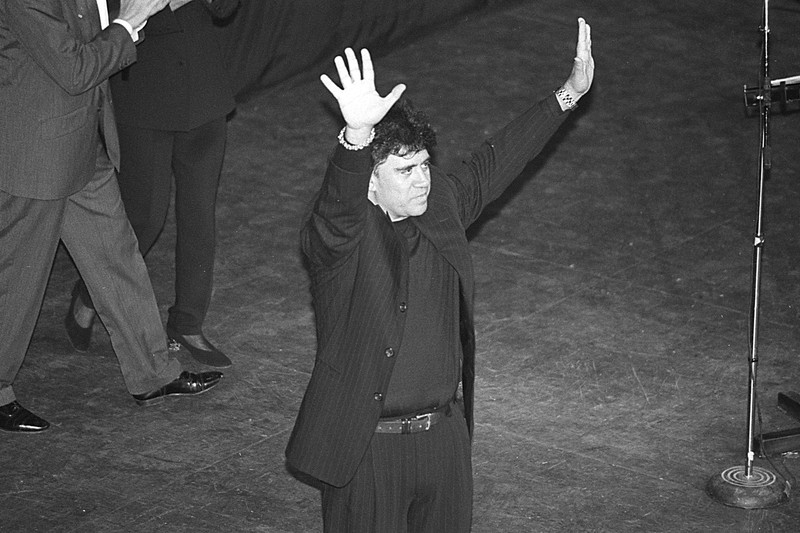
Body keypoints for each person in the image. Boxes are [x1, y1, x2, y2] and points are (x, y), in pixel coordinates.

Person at [285, 18, 594, 532]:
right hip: (368, 452)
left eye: (425, 165)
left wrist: (568, 94)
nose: (423, 180)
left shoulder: (440, 207)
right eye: (405, 171)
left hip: (444, 443)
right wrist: (356, 136)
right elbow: (334, 210)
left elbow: (497, 160)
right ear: (371, 185)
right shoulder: (342, 241)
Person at [0, 0, 223, 433]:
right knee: (16, 280)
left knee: (117, 255)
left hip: (81, 138)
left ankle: (153, 374)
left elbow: (93, 34)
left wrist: (126, 22)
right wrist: (130, 21)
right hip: (39, 151)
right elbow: (75, 68)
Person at [65, 0, 240, 368]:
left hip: (204, 90)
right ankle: (89, 294)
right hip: (145, 94)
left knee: (199, 215)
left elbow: (226, 9)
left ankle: (187, 323)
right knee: (145, 218)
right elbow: (113, 22)